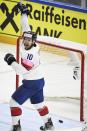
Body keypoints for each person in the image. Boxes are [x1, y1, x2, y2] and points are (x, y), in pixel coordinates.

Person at [4, 3, 54, 131]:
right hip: (39, 81)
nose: (25, 41)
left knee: (13, 103)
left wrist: (11, 61)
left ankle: (16, 127)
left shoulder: (30, 55)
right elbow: (25, 26)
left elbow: (22, 71)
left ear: (33, 42)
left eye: (28, 40)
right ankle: (49, 125)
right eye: (25, 39)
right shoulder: (30, 42)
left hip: (31, 82)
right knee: (39, 105)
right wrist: (24, 13)